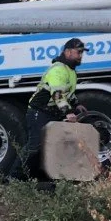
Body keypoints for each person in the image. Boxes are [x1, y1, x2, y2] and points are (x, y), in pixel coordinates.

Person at [24, 38, 85, 184]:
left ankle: (42, 180)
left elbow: (67, 92)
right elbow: (57, 94)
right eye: (78, 52)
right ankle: (14, 178)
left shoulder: (69, 70)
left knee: (50, 146)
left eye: (82, 53)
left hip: (50, 112)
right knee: (35, 146)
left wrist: (76, 104)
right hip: (39, 111)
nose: (81, 56)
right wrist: (68, 112)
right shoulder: (58, 69)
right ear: (68, 52)